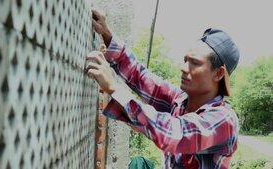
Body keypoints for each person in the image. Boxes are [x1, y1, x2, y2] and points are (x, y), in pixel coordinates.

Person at [87, 9, 240, 169]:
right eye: (185, 60)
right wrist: (107, 35)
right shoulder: (180, 101)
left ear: (218, 73)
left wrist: (114, 88)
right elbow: (140, 77)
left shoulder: (224, 120)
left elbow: (173, 134)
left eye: (194, 63)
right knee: (139, 163)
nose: (183, 68)